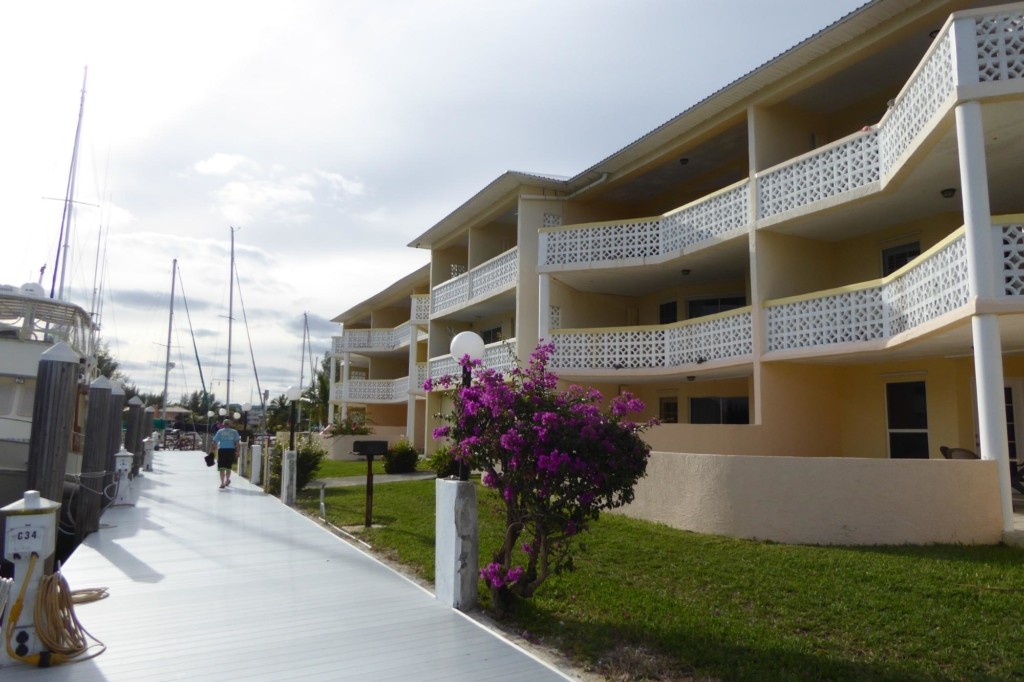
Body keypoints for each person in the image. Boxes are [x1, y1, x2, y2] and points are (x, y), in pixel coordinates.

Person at [212, 419, 241, 489]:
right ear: (230, 424)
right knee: (228, 467)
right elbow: (237, 444)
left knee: (221, 467)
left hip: (222, 450)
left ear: (223, 424)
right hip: (231, 450)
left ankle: (222, 483)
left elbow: (214, 442)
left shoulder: (220, 431)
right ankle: (227, 480)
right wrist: (238, 452)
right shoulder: (234, 432)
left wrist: (212, 450)